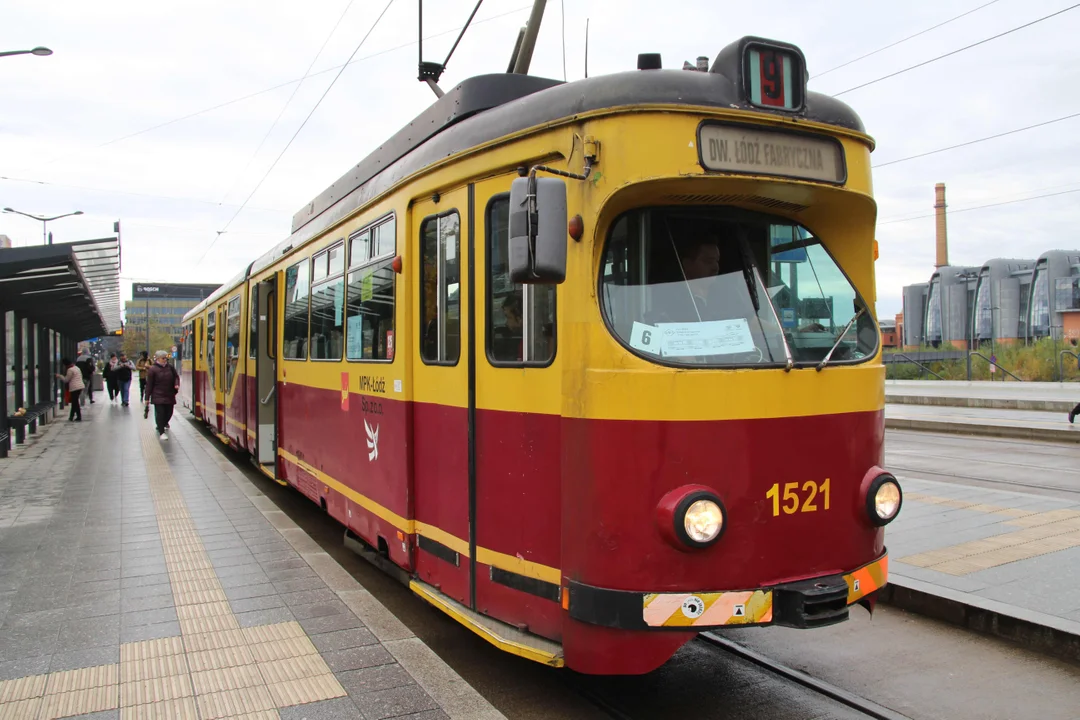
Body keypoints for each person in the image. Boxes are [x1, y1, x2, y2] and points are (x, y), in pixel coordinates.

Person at [145, 350, 179, 440]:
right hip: (158, 395)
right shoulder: (152, 369)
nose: (165, 360)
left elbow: (176, 377)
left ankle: (163, 424)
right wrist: (147, 398)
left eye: (166, 358)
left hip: (169, 394)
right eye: (163, 358)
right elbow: (149, 385)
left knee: (169, 412)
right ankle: (161, 432)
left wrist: (176, 384)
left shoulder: (170, 367)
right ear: (158, 359)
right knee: (160, 413)